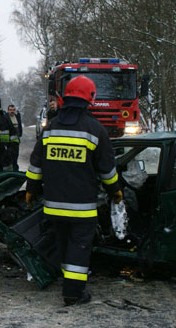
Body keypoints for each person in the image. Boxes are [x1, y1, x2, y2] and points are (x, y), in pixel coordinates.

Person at [25, 75, 122, 306]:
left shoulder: (51, 129)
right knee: (79, 248)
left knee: (63, 244)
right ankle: (73, 293)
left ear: (65, 98)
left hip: (54, 205)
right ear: (90, 99)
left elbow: (36, 162)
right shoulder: (95, 130)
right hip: (82, 207)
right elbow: (107, 170)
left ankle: (68, 282)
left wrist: (31, 189)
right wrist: (115, 191)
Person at [7, 104, 23, 170]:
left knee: (15, 158)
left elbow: (19, 127)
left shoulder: (17, 117)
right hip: (8, 143)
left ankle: (15, 172)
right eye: (10, 110)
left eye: (13, 110)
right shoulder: (5, 118)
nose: (12, 111)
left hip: (16, 143)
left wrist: (20, 134)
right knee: (9, 159)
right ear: (8, 110)